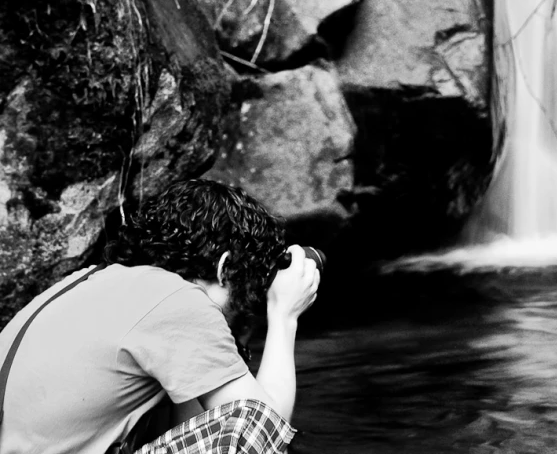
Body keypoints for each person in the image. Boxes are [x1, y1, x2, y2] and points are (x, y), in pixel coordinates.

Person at [0, 179, 320, 453]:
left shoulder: (94, 281)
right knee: (246, 425)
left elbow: (190, 425)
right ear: (224, 269)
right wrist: (283, 316)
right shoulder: (178, 301)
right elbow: (260, 435)